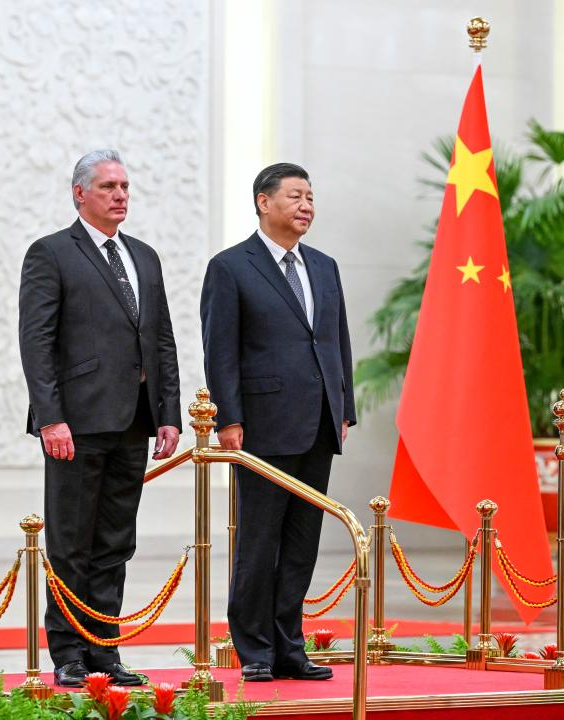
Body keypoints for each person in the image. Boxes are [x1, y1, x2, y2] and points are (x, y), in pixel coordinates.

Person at [18, 149, 181, 687]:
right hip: (77, 423)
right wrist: (50, 418)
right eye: (109, 186)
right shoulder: (51, 253)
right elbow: (37, 342)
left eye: (125, 186)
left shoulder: (144, 256)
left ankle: (103, 650)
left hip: (134, 421)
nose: (120, 195)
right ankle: (68, 653)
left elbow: (160, 339)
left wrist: (168, 413)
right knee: (71, 542)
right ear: (79, 193)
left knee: (115, 542)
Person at [200, 162, 356, 682]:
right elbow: (220, 350)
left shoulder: (324, 266)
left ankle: (290, 646)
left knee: (301, 542)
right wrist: (228, 417)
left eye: (310, 196)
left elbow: (336, 341)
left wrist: (344, 407)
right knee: (259, 540)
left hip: (319, 423)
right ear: (264, 202)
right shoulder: (231, 267)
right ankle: (255, 650)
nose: (306, 205)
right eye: (295, 196)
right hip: (261, 425)